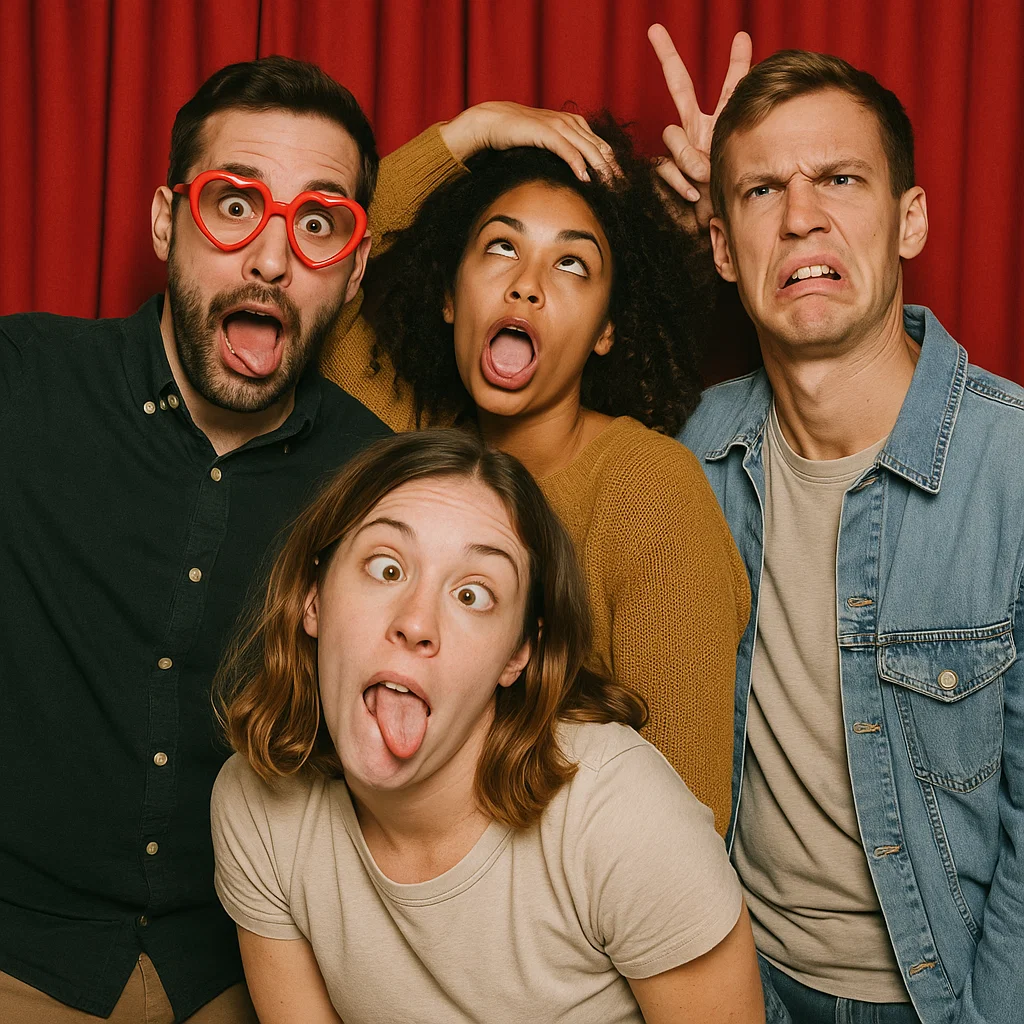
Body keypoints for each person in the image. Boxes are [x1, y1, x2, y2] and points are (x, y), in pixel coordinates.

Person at [0, 54, 617, 1022]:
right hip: (21, 949)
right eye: (234, 206)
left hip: (248, 965)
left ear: (357, 268)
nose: (273, 259)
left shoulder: (380, 482)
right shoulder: (24, 386)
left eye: (318, 225)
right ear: (166, 221)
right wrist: (464, 133)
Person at [652, 27, 1024, 1024]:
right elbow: (518, 394)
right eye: (763, 191)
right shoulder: (693, 450)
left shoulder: (1012, 469)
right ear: (723, 246)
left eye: (840, 182)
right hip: (732, 980)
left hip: (938, 997)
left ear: (910, 221)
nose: (803, 218)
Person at [211, 429, 766, 1024]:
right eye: (387, 568)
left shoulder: (621, 814)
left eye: (473, 595)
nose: (416, 622)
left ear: (517, 654)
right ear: (311, 597)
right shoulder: (256, 806)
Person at [319, 114, 751, 836]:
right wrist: (467, 131)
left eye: (571, 264)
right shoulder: (413, 442)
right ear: (450, 295)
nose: (526, 286)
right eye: (500, 248)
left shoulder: (649, 491)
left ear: (609, 329)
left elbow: (684, 824)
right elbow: (327, 276)